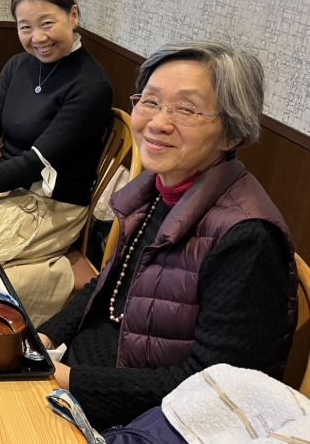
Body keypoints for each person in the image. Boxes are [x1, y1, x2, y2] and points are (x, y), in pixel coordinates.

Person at [38, 41, 297, 430]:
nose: (158, 122)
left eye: (187, 109)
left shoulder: (249, 239)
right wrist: (45, 337)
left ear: (231, 133)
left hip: (147, 423)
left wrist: (70, 380)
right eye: (151, 101)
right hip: (86, 379)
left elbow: (213, 389)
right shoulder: (159, 189)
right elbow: (108, 287)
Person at [0, 0, 113, 324]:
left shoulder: (91, 84)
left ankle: (57, 274)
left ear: (74, 16)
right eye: (25, 27)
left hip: (51, 205)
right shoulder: (18, 66)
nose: (38, 38)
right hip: (7, 189)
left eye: (47, 23)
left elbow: (36, 162)